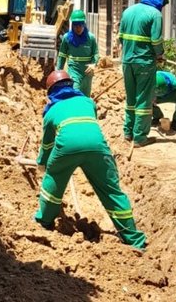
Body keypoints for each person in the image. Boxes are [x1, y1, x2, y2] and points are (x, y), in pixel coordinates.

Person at [34, 70, 147, 250]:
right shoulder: (88, 102)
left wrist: (43, 164)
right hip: (97, 148)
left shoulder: (51, 112)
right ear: (71, 86)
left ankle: (44, 220)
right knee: (111, 191)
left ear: (51, 92)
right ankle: (134, 239)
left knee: (53, 181)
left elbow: (47, 145)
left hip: (67, 148)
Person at [118, 0, 169, 147]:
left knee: (131, 99)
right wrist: (160, 54)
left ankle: (128, 132)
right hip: (144, 63)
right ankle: (140, 137)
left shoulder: (128, 11)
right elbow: (156, 40)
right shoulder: (155, 14)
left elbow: (120, 38)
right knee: (144, 101)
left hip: (127, 62)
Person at [57, 9, 99, 96]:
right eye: (75, 25)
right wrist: (58, 72)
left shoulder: (90, 38)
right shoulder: (67, 38)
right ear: (72, 25)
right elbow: (62, 56)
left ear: (84, 24)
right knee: (75, 92)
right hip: (74, 70)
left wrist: (93, 64)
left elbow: (95, 53)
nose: (78, 28)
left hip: (87, 73)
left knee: (85, 96)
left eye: (80, 25)